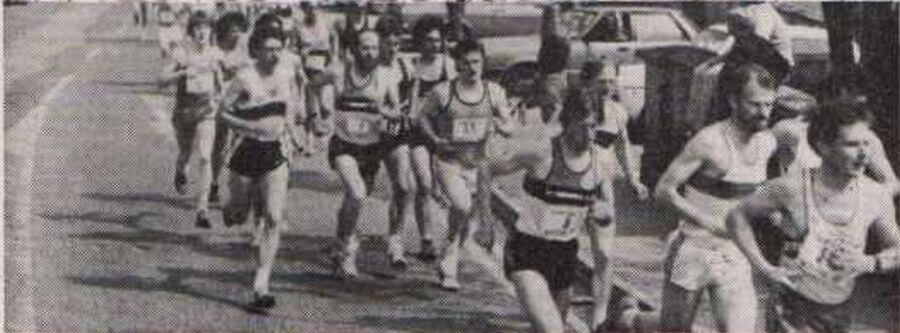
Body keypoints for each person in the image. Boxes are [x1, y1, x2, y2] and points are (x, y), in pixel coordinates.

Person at [727, 100, 900, 333]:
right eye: (852, 145)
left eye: (867, 144)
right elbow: (736, 217)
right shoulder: (791, 188)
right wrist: (765, 268)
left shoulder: (875, 196)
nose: (863, 154)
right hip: (791, 305)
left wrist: (869, 262)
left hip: (839, 308)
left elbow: (897, 249)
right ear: (824, 147)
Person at [652, 62, 780, 333]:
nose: (764, 113)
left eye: (769, 105)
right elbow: (664, 190)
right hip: (693, 249)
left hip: (734, 252)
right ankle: (629, 319)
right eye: (755, 104)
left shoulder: (767, 143)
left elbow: (755, 195)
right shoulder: (709, 141)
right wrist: (710, 223)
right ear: (733, 101)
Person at [418, 38, 515, 290]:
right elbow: (423, 117)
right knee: (461, 206)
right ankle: (450, 256)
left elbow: (508, 123)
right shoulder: (443, 92)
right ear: (457, 64)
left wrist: (503, 127)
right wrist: (435, 139)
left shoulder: (494, 92)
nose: (472, 68)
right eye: (466, 63)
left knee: (467, 219)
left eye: (476, 62)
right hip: (449, 161)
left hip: (478, 166)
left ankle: (450, 253)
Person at [217, 25, 294, 310]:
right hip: (245, 151)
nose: (274, 54)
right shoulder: (244, 77)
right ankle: (232, 208)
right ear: (257, 50)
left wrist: (295, 136)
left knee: (274, 217)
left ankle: (261, 284)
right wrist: (248, 125)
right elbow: (222, 112)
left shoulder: (286, 75)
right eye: (268, 49)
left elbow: (288, 110)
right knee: (238, 215)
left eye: (278, 48)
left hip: (274, 152)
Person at [325, 30, 404, 278]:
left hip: (371, 147)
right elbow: (310, 86)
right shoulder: (339, 72)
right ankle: (348, 250)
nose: (369, 53)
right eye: (364, 47)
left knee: (354, 199)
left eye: (373, 47)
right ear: (354, 49)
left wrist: (382, 110)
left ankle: (340, 244)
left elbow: (396, 111)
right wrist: (314, 115)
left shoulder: (386, 76)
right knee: (357, 193)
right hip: (343, 145)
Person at [160, 11, 222, 229]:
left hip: (206, 110)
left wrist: (220, 93)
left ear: (211, 31)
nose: (202, 32)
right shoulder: (180, 53)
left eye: (205, 28)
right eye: (197, 28)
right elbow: (161, 80)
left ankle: (202, 209)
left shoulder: (215, 54)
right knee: (185, 154)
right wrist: (183, 73)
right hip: (184, 111)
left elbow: (222, 85)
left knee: (206, 157)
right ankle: (180, 169)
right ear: (191, 31)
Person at [407, 15, 457, 261]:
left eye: (437, 41)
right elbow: (408, 103)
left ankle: (452, 243)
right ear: (420, 41)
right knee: (424, 184)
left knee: (450, 191)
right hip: (417, 134)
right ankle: (426, 239)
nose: (434, 45)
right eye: (428, 40)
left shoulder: (448, 66)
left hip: (443, 134)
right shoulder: (412, 64)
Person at [374, 16, 416, 268]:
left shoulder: (404, 64)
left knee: (404, 186)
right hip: (368, 135)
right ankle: (345, 243)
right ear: (378, 42)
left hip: (395, 133)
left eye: (397, 44)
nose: (393, 49)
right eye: (388, 44)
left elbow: (413, 85)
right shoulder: (370, 65)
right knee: (359, 191)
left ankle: (395, 239)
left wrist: (411, 109)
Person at [209, 11, 250, 205]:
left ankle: (240, 186)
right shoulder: (216, 52)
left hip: (242, 104)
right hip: (220, 101)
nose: (237, 34)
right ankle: (213, 183)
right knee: (219, 144)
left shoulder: (246, 50)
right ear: (224, 32)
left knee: (241, 143)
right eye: (233, 31)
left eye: (240, 30)